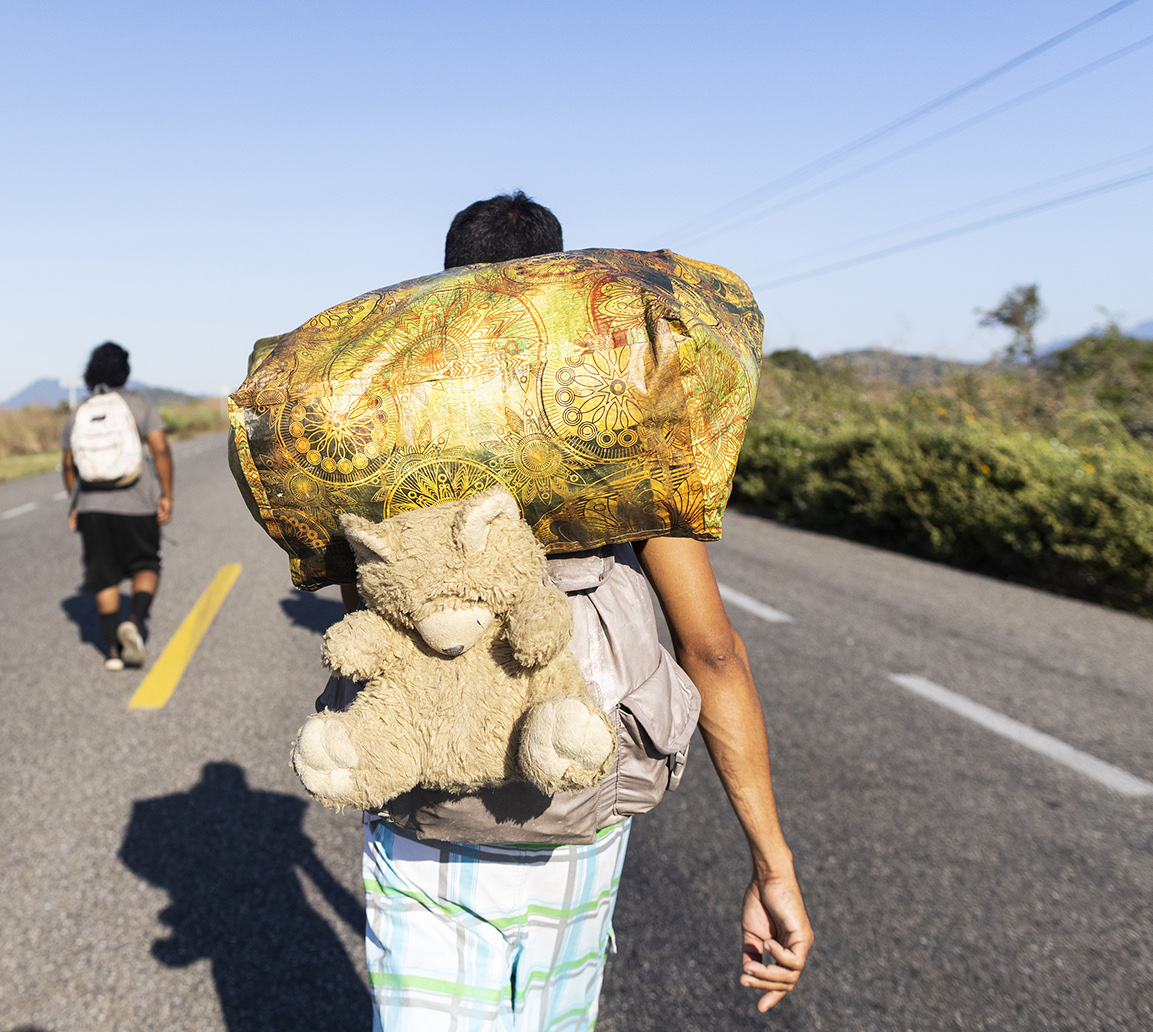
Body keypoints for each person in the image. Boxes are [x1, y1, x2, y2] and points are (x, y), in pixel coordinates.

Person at [338, 192, 813, 1029]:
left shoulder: (385, 441)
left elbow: (362, 610)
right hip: (577, 828)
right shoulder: (618, 441)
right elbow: (713, 654)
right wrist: (770, 860)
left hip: (426, 823)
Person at [61, 341, 174, 671]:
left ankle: (112, 651)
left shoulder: (79, 410)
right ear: (124, 370)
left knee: (103, 575)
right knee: (146, 565)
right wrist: (165, 494)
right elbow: (161, 451)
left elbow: (68, 465)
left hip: (92, 507)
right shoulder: (139, 405)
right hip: (137, 502)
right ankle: (135, 623)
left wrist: (75, 504)